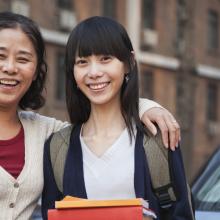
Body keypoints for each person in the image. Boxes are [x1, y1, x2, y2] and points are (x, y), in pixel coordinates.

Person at [0, 12, 180, 220]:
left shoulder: (46, 134)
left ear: (36, 71)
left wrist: (144, 107)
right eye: (1, 56)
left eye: (22, 59)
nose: (10, 68)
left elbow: (101, 121)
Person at [42, 16, 194, 220]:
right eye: (82, 62)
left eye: (105, 59)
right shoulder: (57, 148)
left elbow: (181, 215)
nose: (94, 72)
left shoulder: (158, 138)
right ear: (73, 72)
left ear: (129, 64)